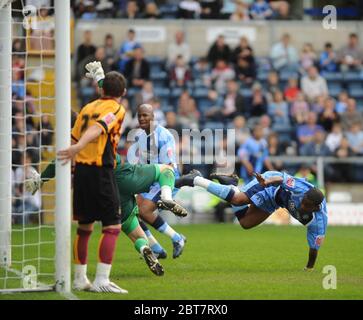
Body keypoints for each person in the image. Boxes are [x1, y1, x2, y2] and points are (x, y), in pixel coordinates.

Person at [57, 65, 128, 293]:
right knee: (113, 226)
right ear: (123, 92)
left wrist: (75, 150)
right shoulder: (117, 108)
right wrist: (78, 147)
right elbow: (99, 129)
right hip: (100, 171)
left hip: (82, 173)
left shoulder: (87, 107)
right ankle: (101, 280)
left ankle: (79, 279)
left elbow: (74, 134)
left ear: (102, 89)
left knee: (85, 227)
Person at [176, 170, 328, 270]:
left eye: (306, 205)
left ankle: (231, 184)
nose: (302, 205)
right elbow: (282, 179)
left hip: (275, 201)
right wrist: (267, 182)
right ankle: (195, 179)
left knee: (245, 223)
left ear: (315, 208)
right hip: (270, 183)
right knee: (238, 199)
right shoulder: (304, 189)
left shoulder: (319, 222)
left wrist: (309, 268)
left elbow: (314, 248)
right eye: (303, 201)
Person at [127, 104, 187, 259]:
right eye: (139, 115)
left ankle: (177, 238)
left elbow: (168, 166)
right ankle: (156, 248)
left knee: (144, 211)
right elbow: (142, 165)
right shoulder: (141, 138)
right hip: (150, 179)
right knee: (131, 211)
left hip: (165, 179)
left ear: (153, 117)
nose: (142, 118)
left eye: (145, 115)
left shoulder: (164, 135)